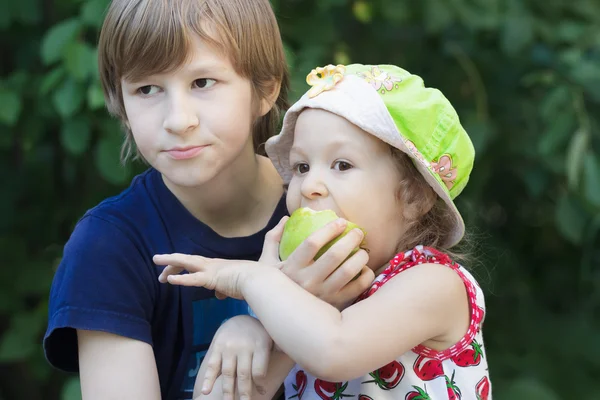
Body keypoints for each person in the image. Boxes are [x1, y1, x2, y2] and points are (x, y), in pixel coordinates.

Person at [43, 1, 372, 398]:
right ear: (122, 104)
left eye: (202, 83)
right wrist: (277, 325)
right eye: (147, 89)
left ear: (264, 88)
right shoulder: (108, 248)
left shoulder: (339, 200)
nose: (178, 120)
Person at [155, 63, 492, 400]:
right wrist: (250, 328)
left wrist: (252, 279)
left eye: (341, 165)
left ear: (414, 196)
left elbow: (334, 350)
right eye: (302, 166)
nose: (310, 185)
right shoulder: (302, 306)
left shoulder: (434, 283)